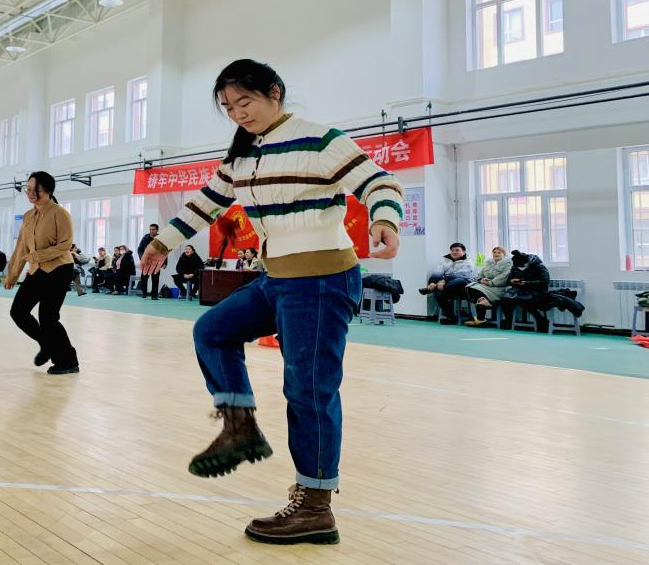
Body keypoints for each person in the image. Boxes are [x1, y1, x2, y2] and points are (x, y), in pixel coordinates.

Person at [140, 59, 402, 545]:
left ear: (274, 92)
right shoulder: (242, 155)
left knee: (309, 389)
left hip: (322, 279)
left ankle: (316, 505)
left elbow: (378, 181)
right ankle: (239, 427)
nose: (238, 113)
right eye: (228, 107)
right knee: (212, 331)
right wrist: (161, 243)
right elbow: (206, 203)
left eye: (245, 101)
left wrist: (384, 218)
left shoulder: (319, 140)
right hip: (278, 278)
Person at [4, 172, 79, 375]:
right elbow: (21, 247)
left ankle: (68, 361)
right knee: (18, 312)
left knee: (48, 318)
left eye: (33, 189)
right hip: (37, 269)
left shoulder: (60, 214)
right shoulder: (28, 216)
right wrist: (12, 275)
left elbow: (65, 245)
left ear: (46, 190)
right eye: (27, 189)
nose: (29, 192)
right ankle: (47, 345)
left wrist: (38, 255)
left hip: (59, 269)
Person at [420, 242, 475, 323]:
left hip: (464, 287)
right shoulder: (445, 261)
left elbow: (460, 275)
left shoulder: (468, 262)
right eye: (452, 250)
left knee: (459, 280)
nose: (454, 252)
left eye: (457, 250)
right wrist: (432, 282)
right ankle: (451, 318)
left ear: (464, 252)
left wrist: (443, 281)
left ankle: (433, 289)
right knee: (438, 293)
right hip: (449, 287)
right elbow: (437, 272)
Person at [500, 250, 552, 332]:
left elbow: (545, 281)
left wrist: (526, 283)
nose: (520, 268)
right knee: (504, 299)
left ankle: (540, 320)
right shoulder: (515, 266)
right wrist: (511, 281)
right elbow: (508, 280)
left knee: (524, 300)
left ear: (527, 262)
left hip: (537, 290)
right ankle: (508, 320)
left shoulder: (539, 266)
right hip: (519, 289)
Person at [464, 246, 512, 326]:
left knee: (476, 289)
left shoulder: (508, 264)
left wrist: (490, 283)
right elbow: (480, 275)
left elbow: (504, 277)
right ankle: (483, 307)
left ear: (504, 254)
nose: (496, 254)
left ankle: (480, 319)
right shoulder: (488, 263)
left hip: (499, 288)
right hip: (486, 287)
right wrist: (481, 280)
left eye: (499, 252)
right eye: (494, 252)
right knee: (470, 287)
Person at [137, 224, 164, 300]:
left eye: (153, 229)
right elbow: (140, 249)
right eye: (150, 229)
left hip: (156, 262)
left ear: (157, 230)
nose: (151, 231)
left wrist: (164, 262)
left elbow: (164, 251)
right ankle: (144, 293)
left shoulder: (160, 239)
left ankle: (154, 295)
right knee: (143, 278)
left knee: (155, 279)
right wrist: (142, 258)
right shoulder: (145, 238)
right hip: (146, 262)